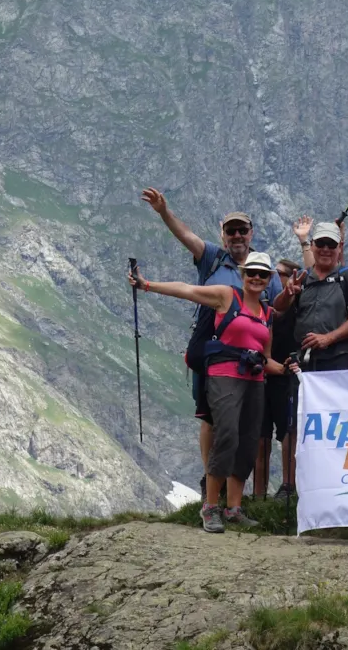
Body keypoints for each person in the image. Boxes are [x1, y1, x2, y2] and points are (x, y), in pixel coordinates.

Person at [128, 251, 286, 534]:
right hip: (223, 377)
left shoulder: (267, 314)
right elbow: (188, 290)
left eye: (263, 274)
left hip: (255, 380)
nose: (257, 278)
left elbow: (267, 357)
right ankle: (210, 506)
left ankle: (234, 509)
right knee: (226, 435)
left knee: (249, 442)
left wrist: (288, 368)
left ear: (270, 279)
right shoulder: (227, 296)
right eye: (252, 272)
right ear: (243, 274)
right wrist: (147, 285)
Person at [141, 190, 257, 485]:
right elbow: (186, 235)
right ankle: (210, 479)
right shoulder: (212, 259)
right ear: (223, 235)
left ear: (251, 234)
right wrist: (164, 212)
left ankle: (233, 488)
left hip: (246, 355)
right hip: (211, 350)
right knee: (209, 417)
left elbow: (276, 309)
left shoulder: (261, 270)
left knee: (241, 422)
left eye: (242, 230)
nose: (237, 236)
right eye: (231, 231)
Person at [271, 222, 348, 372]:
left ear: (340, 247)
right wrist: (287, 294)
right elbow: (279, 307)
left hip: (338, 358)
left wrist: (328, 338)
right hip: (303, 360)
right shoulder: (301, 277)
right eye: (320, 243)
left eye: (331, 244)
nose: (325, 249)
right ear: (312, 245)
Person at [257, 256, 300, 500]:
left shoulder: (298, 309)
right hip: (264, 374)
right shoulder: (262, 307)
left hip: (286, 376)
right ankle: (258, 493)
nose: (276, 279)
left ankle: (287, 486)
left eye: (281, 274)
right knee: (260, 434)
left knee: (287, 431)